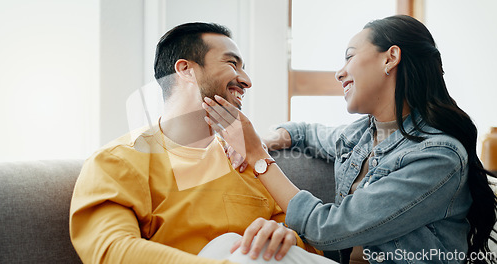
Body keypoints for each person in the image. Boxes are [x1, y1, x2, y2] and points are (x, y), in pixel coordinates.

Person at [202, 15, 497, 263]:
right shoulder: (360, 134)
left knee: (243, 253)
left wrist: (257, 155)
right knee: (228, 244)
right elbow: (304, 132)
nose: (339, 73)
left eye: (350, 56)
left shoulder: (436, 156)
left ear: (391, 58)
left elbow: (327, 228)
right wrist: (271, 138)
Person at [69, 22, 331, 264]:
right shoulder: (117, 162)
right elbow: (112, 251)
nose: (246, 81)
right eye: (232, 64)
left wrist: (284, 236)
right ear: (186, 70)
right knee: (231, 245)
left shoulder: (246, 161)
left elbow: (309, 247)